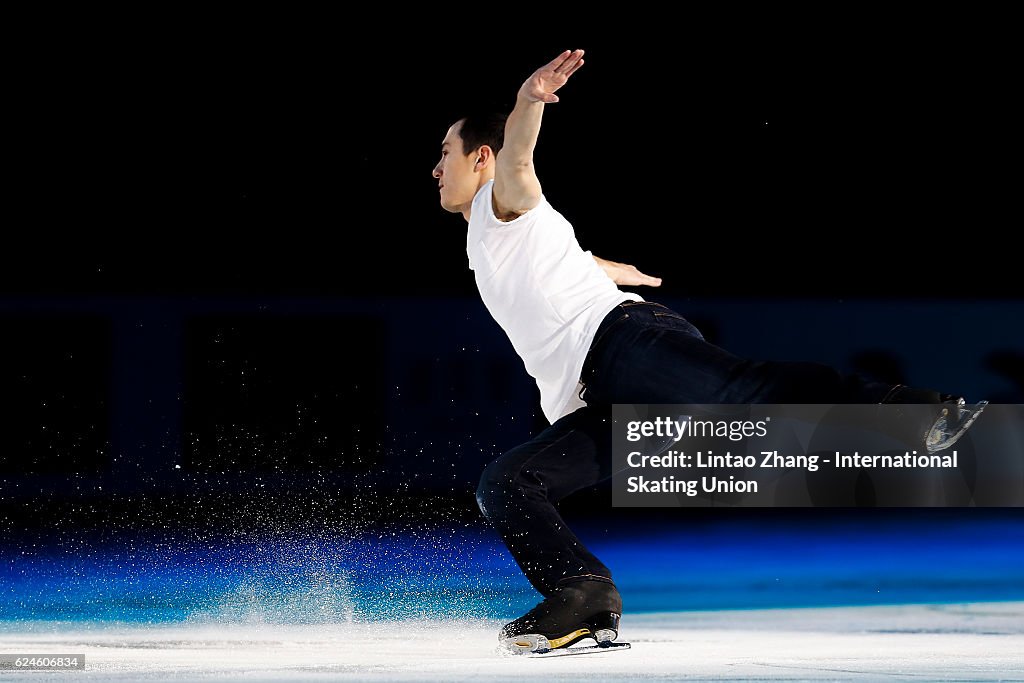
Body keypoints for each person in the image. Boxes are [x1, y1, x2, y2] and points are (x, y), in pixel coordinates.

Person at [432, 49, 985, 653]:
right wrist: (609, 267)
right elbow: (559, 261)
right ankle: (581, 594)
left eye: (445, 153)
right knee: (508, 482)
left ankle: (919, 409)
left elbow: (519, 155)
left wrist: (528, 101)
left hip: (622, 346)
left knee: (746, 394)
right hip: (594, 392)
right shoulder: (489, 237)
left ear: (479, 157)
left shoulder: (500, 201)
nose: (436, 169)